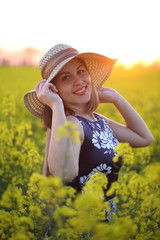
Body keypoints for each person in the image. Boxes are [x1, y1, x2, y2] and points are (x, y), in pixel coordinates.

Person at [24, 43, 154, 219]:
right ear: (55, 90)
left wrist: (116, 98)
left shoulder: (97, 120)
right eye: (65, 78)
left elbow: (144, 138)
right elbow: (64, 173)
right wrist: (56, 105)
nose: (78, 81)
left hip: (104, 221)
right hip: (80, 225)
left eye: (81, 71)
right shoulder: (71, 124)